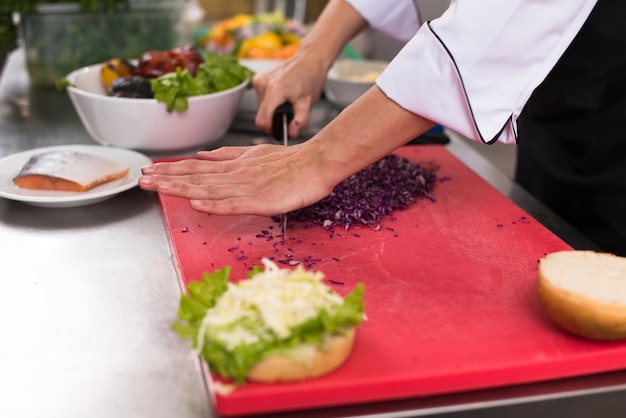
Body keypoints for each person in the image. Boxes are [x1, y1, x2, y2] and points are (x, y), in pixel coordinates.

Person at [139, 0, 626, 256]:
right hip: (559, 106)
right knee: (552, 241)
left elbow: (499, 22)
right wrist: (313, 52)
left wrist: (315, 160)